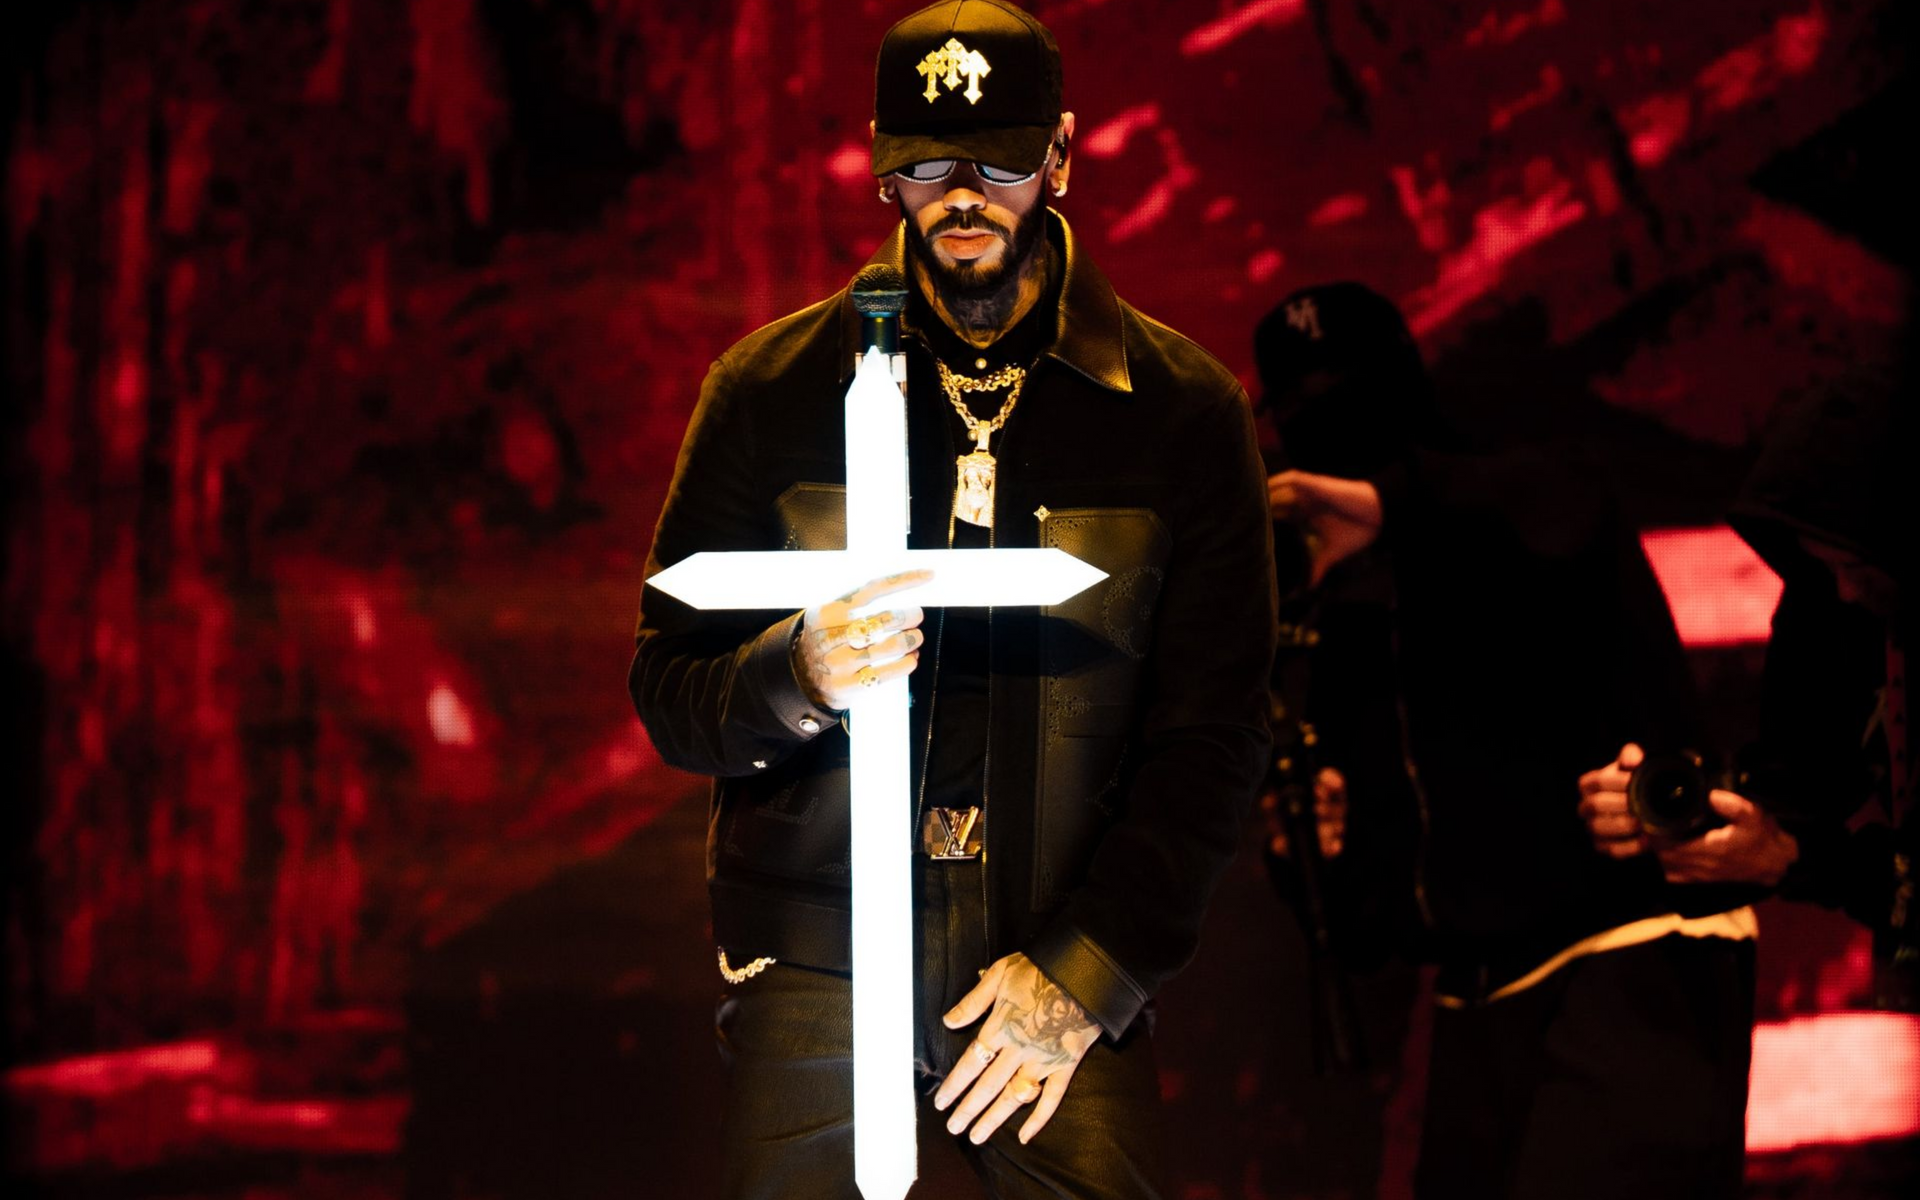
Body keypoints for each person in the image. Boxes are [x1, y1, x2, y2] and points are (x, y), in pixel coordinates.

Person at [627, 4, 1276, 1197]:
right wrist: (796, 673)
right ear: (882, 167)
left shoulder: (1181, 411)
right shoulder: (768, 391)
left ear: (1062, 154)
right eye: (926, 166)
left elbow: (1215, 735)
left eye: (999, 162)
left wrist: (1090, 970)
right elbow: (670, 689)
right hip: (820, 946)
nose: (962, 197)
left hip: (1057, 944)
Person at [1257, 283, 1757, 1200]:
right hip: (1481, 1002)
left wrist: (1390, 504)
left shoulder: (1524, 502)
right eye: (1293, 401)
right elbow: (1373, 916)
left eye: (1340, 385)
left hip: (1630, 959)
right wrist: (1319, 854)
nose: (1318, 415)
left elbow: (1555, 503)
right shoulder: (1339, 617)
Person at [1579, 368, 1915, 1011]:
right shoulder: (1829, 606)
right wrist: (1680, 815)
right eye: (1824, 567)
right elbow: (1799, 785)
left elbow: (1810, 852)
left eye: (1859, 568)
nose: (1847, 592)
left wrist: (1804, 861)